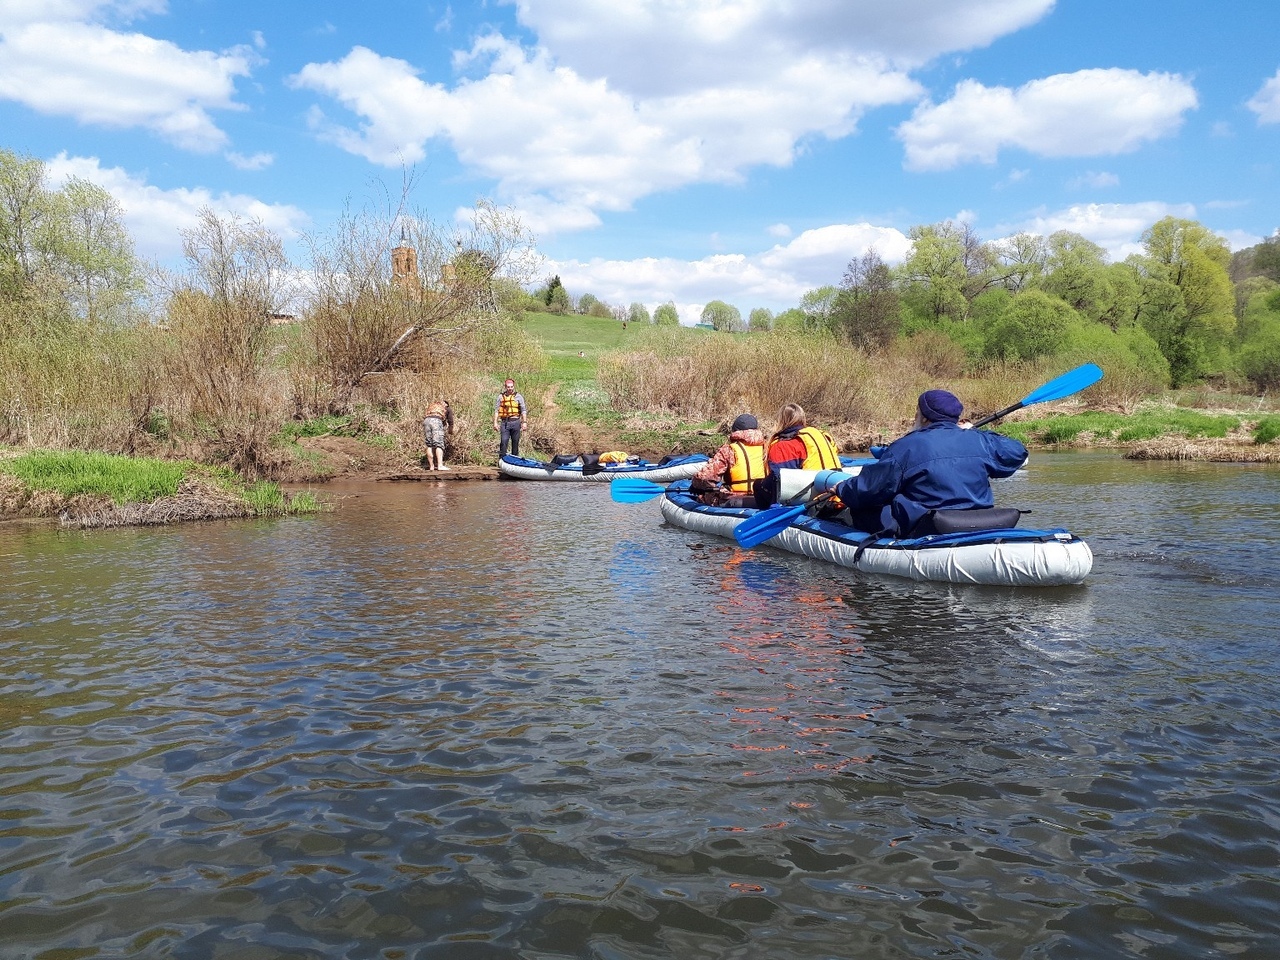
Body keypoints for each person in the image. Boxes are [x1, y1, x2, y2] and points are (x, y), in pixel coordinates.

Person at [830, 389, 1028, 536]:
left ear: (924, 417)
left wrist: (842, 488)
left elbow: (870, 489)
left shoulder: (906, 446)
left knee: (864, 508)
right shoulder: (980, 440)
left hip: (929, 525)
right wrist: (974, 432)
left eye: (917, 411)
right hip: (980, 520)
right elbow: (1018, 452)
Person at [753, 403, 842, 508]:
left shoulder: (785, 445)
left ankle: (766, 514)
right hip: (836, 495)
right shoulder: (821, 436)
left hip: (815, 501)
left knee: (758, 485)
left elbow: (779, 480)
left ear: (781, 420)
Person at [689, 413, 766, 506]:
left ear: (735, 431)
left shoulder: (729, 450)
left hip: (734, 498)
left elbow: (706, 477)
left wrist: (696, 485)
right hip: (761, 498)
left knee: (705, 497)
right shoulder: (767, 448)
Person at [493, 378, 527, 459]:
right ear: (505, 387)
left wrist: (524, 422)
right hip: (505, 423)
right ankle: (502, 460)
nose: (510, 388)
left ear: (513, 387)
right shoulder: (500, 397)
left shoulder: (519, 397)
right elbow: (497, 411)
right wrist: (495, 422)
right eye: (508, 387)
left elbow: (523, 410)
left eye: (511, 387)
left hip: (516, 422)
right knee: (504, 442)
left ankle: (514, 462)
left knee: (515, 443)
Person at [422, 399, 454, 471]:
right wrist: (450, 430)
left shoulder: (432, 406)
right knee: (439, 444)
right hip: (436, 421)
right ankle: (440, 466)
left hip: (426, 421)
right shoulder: (447, 408)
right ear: (446, 404)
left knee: (429, 444)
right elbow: (450, 420)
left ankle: (431, 467)